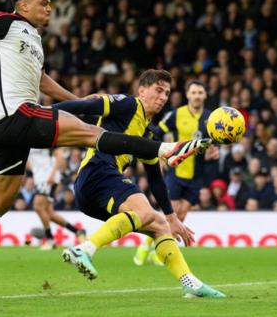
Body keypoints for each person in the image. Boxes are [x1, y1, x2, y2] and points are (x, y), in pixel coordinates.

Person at [0, 0, 209, 296]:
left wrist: (80, 102)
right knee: (97, 135)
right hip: (16, 115)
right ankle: (167, 149)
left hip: (8, 128)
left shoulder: (35, 40)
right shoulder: (5, 22)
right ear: (24, 5)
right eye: (43, 3)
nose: (49, 8)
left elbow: (42, 81)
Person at [54, 69, 225, 298]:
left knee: (159, 225)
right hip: (98, 172)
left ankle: (190, 283)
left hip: (96, 191)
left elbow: (155, 177)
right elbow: (86, 105)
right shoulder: (127, 105)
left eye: (166, 93)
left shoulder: (149, 132)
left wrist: (172, 218)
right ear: (142, 91)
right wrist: (43, 115)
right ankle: (83, 249)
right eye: (158, 90)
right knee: (145, 211)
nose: (163, 97)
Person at [133, 80, 219, 266]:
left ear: (205, 96)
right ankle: (148, 248)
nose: (197, 96)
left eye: (200, 92)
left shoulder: (210, 118)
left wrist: (215, 150)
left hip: (197, 175)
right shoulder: (176, 114)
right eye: (193, 92)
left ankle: (157, 249)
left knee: (180, 216)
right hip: (176, 171)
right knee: (168, 214)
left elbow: (215, 141)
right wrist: (160, 154)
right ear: (188, 95)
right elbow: (156, 131)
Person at [27, 148, 85, 250]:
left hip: (48, 177)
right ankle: (78, 232)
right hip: (39, 178)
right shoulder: (28, 141)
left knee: (38, 206)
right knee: (49, 213)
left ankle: (50, 240)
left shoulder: (44, 139)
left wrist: (53, 173)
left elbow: (59, 154)